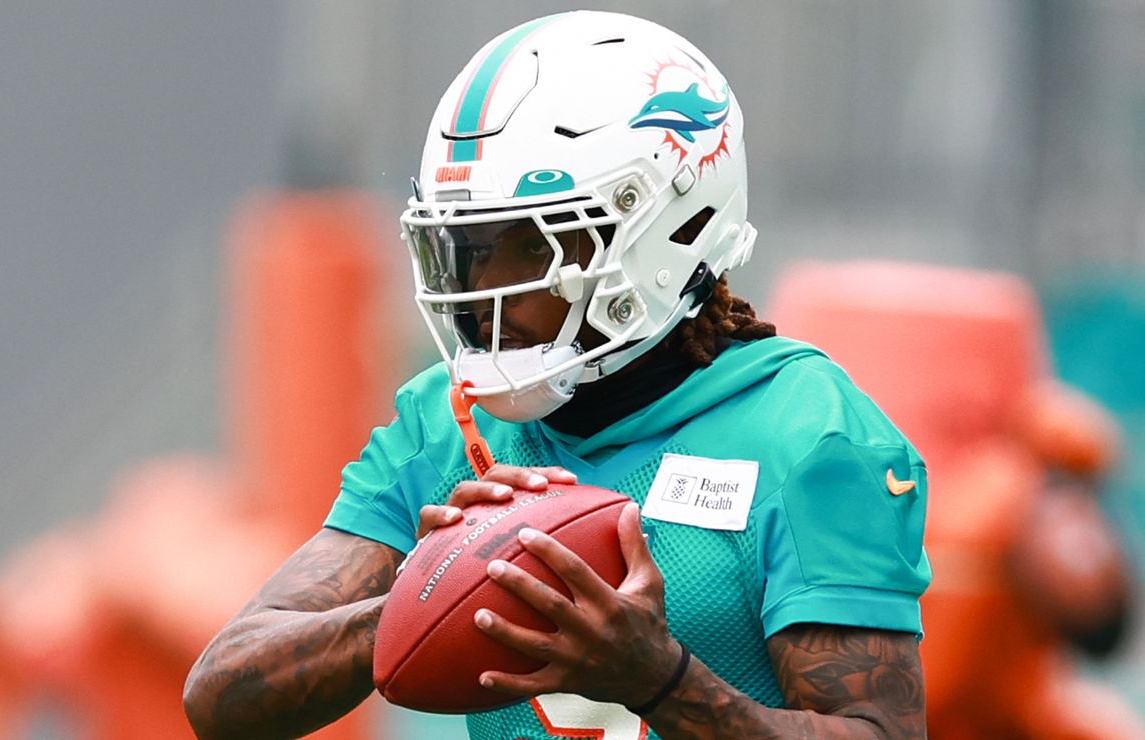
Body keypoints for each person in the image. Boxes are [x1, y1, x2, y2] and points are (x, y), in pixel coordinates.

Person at [184, 10, 931, 739]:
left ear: (665, 229)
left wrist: (664, 681)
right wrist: (435, 588)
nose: (483, 292)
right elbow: (223, 696)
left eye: (526, 245)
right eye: (466, 247)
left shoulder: (807, 433)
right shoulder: (444, 427)